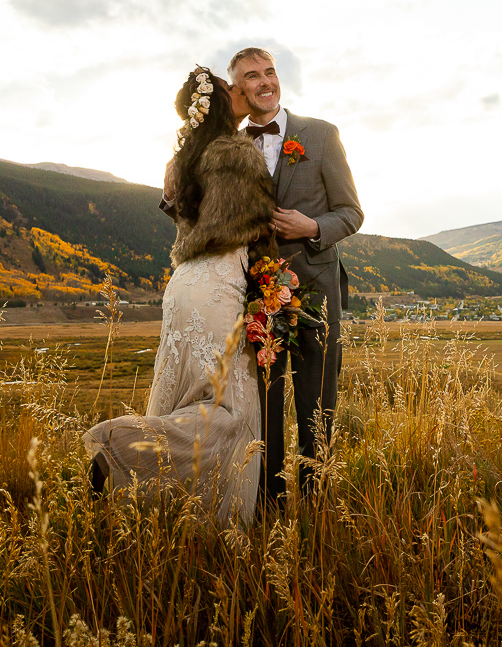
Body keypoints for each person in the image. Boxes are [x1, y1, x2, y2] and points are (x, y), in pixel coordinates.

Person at [83, 68, 274, 526]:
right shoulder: (234, 151)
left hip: (184, 283)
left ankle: (162, 511)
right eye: (231, 88)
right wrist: (272, 280)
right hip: (219, 281)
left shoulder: (182, 159)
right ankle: (122, 444)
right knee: (230, 410)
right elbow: (248, 222)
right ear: (218, 101)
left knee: (179, 392)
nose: (240, 91)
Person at [228, 46, 363, 503]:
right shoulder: (229, 149)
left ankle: (318, 501)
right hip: (254, 296)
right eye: (252, 76)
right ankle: (268, 502)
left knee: (316, 403)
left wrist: (314, 227)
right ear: (239, 90)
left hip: (317, 292)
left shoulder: (321, 136)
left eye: (270, 72)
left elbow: (352, 212)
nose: (265, 81)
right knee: (264, 404)